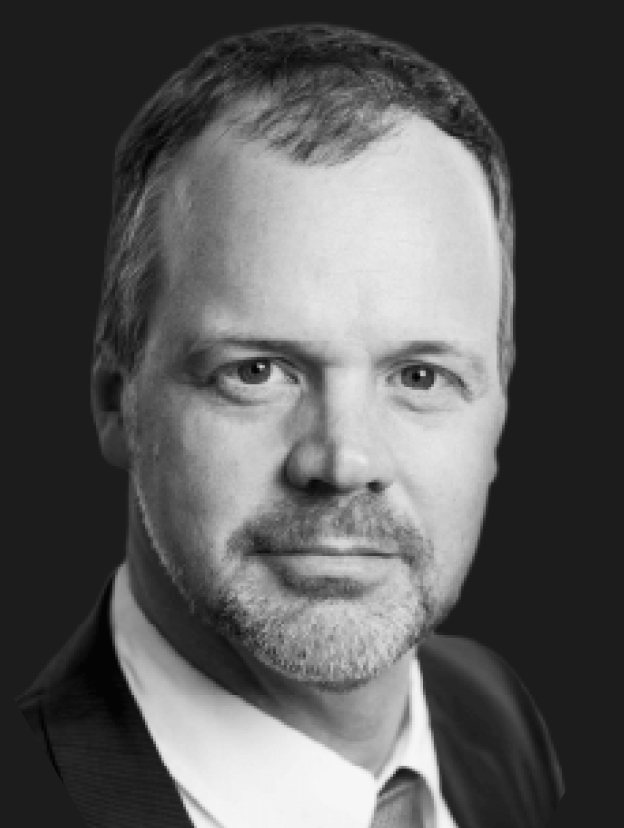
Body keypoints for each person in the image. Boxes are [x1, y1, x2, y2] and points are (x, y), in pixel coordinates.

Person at [17, 23, 564, 828]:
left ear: (497, 415)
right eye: (256, 371)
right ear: (115, 402)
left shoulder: (500, 716)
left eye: (420, 376)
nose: (343, 461)